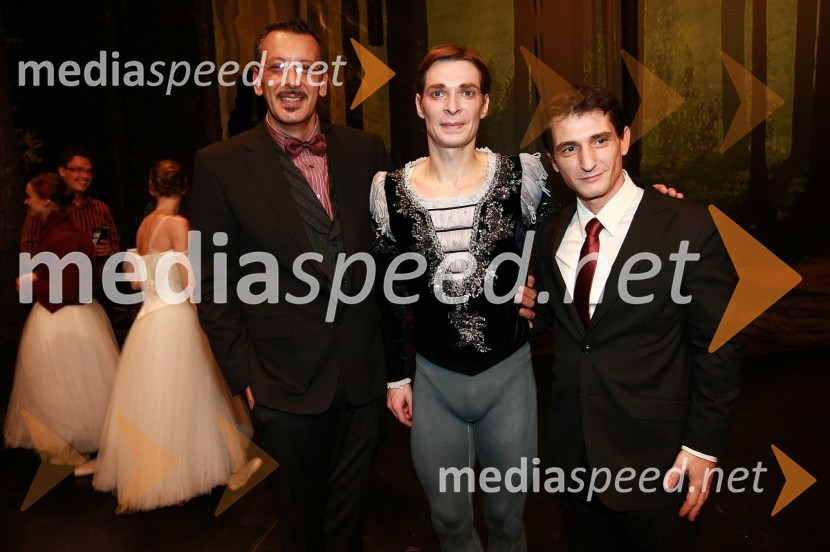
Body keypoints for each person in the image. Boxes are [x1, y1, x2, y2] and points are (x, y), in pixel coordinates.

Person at [189, 19, 401, 551]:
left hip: (360, 378)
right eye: (277, 67)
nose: (292, 81)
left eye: (306, 68)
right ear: (258, 80)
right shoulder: (219, 165)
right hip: (280, 383)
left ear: (325, 80)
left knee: (349, 525)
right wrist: (244, 376)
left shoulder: (366, 151)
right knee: (300, 529)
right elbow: (213, 283)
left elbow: (394, 258)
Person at [533, 85, 741, 550]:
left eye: (600, 140)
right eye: (570, 147)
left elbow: (718, 347)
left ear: (625, 139)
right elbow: (571, 327)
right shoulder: (550, 237)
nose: (587, 162)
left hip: (660, 462)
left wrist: (702, 448)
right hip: (574, 462)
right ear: (553, 160)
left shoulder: (689, 224)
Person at [373, 44, 558, 552]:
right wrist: (395, 375)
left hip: (509, 378)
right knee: (449, 523)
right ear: (419, 104)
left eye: (466, 91)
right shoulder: (388, 190)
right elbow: (388, 295)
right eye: (438, 92)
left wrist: (541, 304)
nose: (452, 105)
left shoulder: (523, 175)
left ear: (484, 104)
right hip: (434, 383)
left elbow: (572, 243)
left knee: (506, 521)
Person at [91, 160, 259, 511]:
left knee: (159, 401)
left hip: (148, 322)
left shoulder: (144, 226)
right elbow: (188, 283)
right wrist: (208, 319)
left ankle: (158, 470)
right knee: (195, 394)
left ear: (151, 188)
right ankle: (214, 467)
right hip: (176, 317)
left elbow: (136, 283)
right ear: (185, 190)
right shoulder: (179, 224)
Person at [4, 173, 118, 463]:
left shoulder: (65, 235)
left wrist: (33, 284)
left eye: (30, 196)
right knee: (65, 384)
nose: (26, 201)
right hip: (68, 313)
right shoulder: (63, 230)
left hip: (63, 315)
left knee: (65, 385)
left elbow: (70, 287)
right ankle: (71, 443)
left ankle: (74, 443)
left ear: (46, 201)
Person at [20, 148, 120, 259]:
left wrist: (109, 251)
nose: (85, 176)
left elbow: (116, 247)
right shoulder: (47, 207)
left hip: (96, 274)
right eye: (78, 170)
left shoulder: (100, 208)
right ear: (62, 171)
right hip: (58, 273)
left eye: (89, 172)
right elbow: (28, 252)